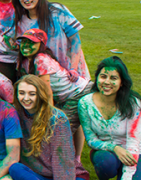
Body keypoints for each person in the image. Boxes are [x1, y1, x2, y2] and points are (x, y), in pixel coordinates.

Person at [8, 75, 141, 180]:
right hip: (40, 175)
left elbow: (63, 160)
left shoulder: (57, 119)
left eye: (32, 94)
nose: (26, 98)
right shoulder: (15, 115)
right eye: (21, 93)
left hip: (70, 176)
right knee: (16, 169)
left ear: (41, 94)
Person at [79, 57, 141, 180]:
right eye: (103, 76)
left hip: (135, 150)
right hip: (107, 151)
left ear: (121, 82)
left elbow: (133, 140)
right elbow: (91, 139)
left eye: (113, 78)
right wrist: (115, 148)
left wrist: (127, 178)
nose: (106, 82)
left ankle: (123, 175)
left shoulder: (133, 104)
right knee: (103, 161)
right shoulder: (85, 103)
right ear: (97, 77)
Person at [17, 28, 91, 158]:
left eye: (32, 43)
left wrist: (48, 117)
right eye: (23, 42)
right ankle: (75, 158)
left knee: (59, 128)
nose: (26, 46)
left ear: (41, 45)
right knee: (65, 124)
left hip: (78, 93)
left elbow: (46, 93)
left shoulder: (40, 59)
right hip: (68, 96)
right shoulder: (25, 61)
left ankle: (66, 162)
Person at [14, 0, 89, 80]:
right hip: (46, 76)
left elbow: (75, 41)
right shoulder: (21, 22)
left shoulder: (58, 12)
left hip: (71, 72)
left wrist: (74, 69)